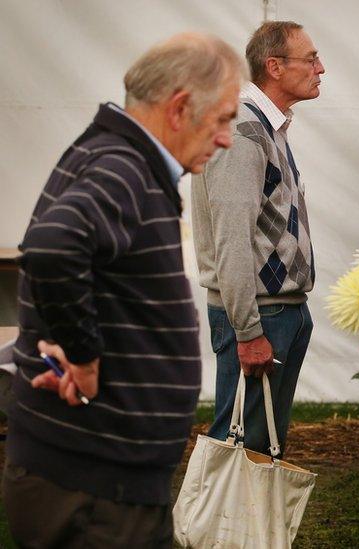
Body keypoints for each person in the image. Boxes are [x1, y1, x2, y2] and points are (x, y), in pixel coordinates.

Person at [2, 33, 243, 548]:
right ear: (179, 108)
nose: (227, 137)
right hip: (94, 489)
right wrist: (85, 360)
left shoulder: (120, 158)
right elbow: (53, 246)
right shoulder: (122, 166)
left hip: (100, 481)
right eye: (223, 118)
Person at [191, 21, 322, 457]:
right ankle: (211, 527)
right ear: (275, 67)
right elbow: (231, 239)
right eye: (310, 59)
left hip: (282, 311)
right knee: (239, 448)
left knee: (261, 447)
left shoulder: (267, 127)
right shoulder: (244, 132)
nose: (320, 68)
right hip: (259, 317)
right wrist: (248, 332)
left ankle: (246, 527)